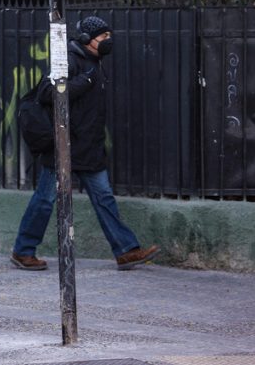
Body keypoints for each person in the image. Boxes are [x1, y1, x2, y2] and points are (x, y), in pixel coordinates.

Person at [11, 16, 160, 272]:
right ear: (87, 40)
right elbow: (48, 91)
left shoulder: (95, 62)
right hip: (63, 146)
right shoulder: (69, 60)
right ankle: (23, 251)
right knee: (45, 200)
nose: (108, 41)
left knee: (104, 198)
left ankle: (126, 251)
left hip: (88, 146)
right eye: (103, 37)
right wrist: (85, 81)